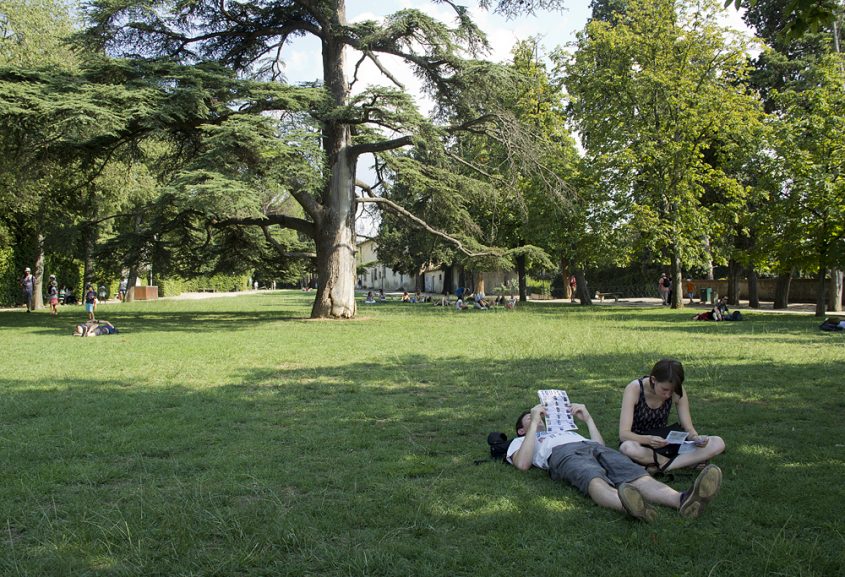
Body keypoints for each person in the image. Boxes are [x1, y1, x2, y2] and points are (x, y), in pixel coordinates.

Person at [509, 402, 722, 521]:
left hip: (590, 446)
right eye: (530, 417)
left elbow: (600, 445)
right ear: (520, 429)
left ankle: (682, 500)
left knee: (635, 474)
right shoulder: (520, 440)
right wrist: (534, 422)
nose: (539, 416)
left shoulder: (564, 430)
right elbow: (522, 464)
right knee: (593, 478)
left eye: (538, 415)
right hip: (563, 454)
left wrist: (588, 418)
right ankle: (629, 505)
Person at [619, 359, 726, 474]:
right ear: (653, 380)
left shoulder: (677, 391)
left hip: (665, 443)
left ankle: (659, 467)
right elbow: (624, 434)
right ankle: (682, 463)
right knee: (627, 448)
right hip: (641, 442)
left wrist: (696, 438)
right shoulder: (634, 389)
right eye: (664, 389)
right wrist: (648, 440)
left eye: (672, 390)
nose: (668, 395)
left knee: (718, 442)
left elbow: (688, 428)